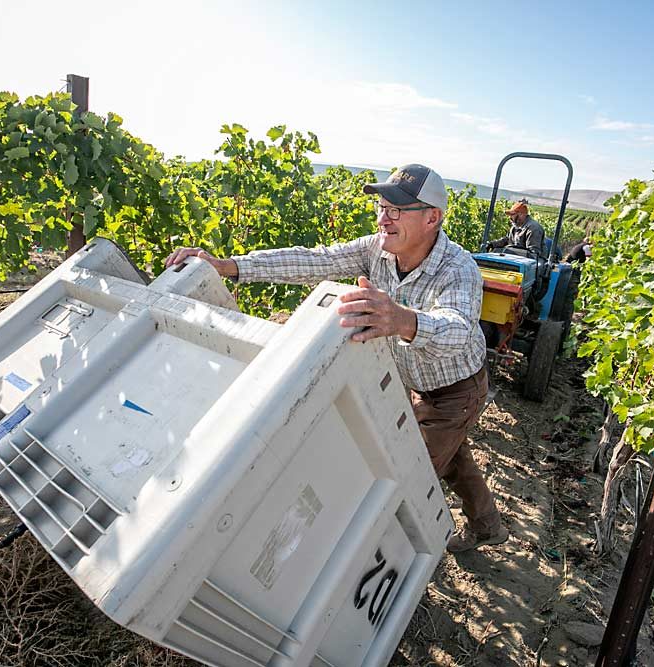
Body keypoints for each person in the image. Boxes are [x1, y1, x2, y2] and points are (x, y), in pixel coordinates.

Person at [165, 164, 507, 553]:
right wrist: (229, 266)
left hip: (456, 390)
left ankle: (387, 557)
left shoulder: (458, 268)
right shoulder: (375, 249)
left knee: (406, 473)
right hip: (412, 381)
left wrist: (402, 319)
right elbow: (313, 261)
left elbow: (459, 330)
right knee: (449, 455)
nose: (383, 219)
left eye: (396, 211)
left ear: (433, 217)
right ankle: (487, 525)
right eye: (380, 208)